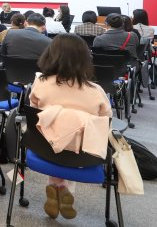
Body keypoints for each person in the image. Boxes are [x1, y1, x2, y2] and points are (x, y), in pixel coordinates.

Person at [30, 35, 112, 220]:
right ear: (84, 59)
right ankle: (64, 189)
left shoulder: (40, 83)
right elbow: (106, 122)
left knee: (56, 135)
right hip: (83, 154)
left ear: (50, 55)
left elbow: (34, 113)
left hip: (44, 147)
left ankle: (57, 185)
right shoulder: (96, 91)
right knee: (74, 140)